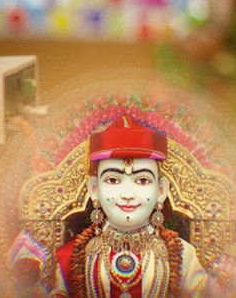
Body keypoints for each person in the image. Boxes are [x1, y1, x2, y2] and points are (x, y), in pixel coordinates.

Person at [46, 115, 211, 298]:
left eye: (142, 180)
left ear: (161, 191)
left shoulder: (183, 257)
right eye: (113, 180)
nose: (127, 194)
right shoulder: (70, 259)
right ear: (94, 190)